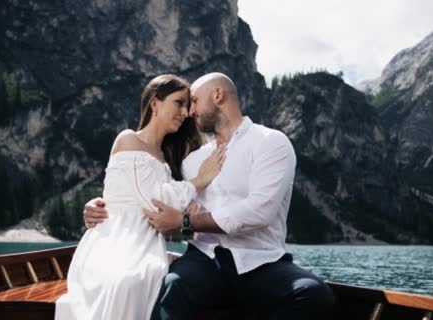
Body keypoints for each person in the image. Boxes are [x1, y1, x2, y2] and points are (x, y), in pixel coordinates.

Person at [83, 72, 335, 319]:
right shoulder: (193, 161)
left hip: (261, 261)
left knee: (314, 293)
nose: (189, 112)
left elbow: (260, 211)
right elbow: (150, 194)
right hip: (204, 259)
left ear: (217, 94)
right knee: (173, 285)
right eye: (183, 103)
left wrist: (185, 222)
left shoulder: (270, 142)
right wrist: (102, 204)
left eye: (193, 101)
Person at [54, 74, 226, 320]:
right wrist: (200, 180)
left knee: (152, 274)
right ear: (155, 103)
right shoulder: (128, 139)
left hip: (148, 243)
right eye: (179, 102)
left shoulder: (168, 156)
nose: (186, 112)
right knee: (129, 280)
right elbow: (155, 202)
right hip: (116, 239)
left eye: (188, 105)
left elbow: (176, 210)